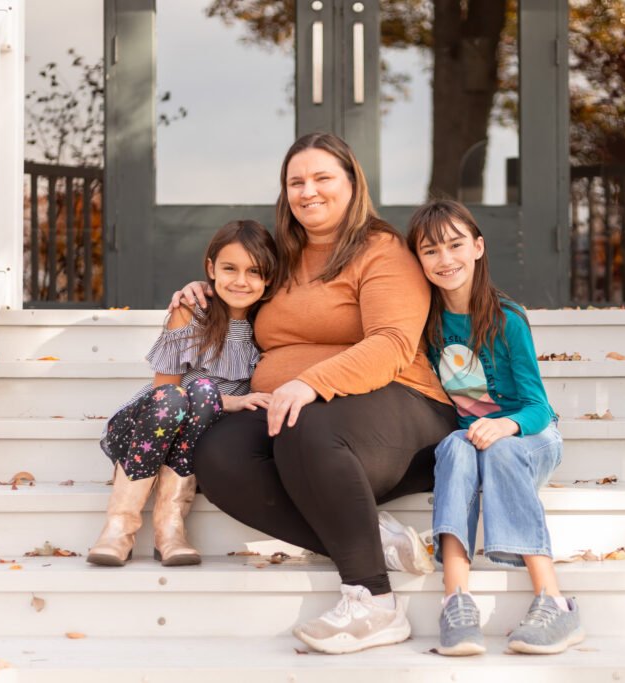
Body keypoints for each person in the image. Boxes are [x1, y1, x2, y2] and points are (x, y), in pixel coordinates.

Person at [171, 133, 456, 654]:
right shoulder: (281, 258)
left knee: (303, 423)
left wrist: (310, 382)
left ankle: (373, 601)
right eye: (296, 181)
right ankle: (378, 535)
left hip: (404, 410)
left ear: (352, 184)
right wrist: (201, 293)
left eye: (323, 178)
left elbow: (392, 344)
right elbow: (240, 291)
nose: (309, 191)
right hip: (304, 418)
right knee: (218, 453)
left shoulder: (383, 251)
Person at [405, 199, 584, 656]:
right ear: (418, 261)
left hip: (528, 439)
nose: (445, 259)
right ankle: (456, 601)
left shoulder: (507, 317)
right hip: (475, 443)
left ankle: (554, 600)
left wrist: (505, 426)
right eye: (430, 251)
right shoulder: (425, 326)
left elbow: (538, 408)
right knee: (454, 446)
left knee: (498, 450)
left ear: (478, 247)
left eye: (455, 245)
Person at [87, 220, 277, 568]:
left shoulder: (269, 322)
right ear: (211, 269)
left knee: (205, 394)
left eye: (255, 271)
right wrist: (229, 401)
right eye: (229, 268)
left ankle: (169, 528)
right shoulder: (191, 311)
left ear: (269, 279)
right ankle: (118, 528)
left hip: (193, 447)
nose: (240, 280)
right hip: (143, 432)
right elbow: (164, 391)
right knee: (195, 392)